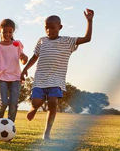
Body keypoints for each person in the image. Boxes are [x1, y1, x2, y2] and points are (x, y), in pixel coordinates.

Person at [21, 9, 94, 140]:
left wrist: (89, 21)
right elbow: (34, 57)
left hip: (56, 79)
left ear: (60, 27)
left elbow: (87, 39)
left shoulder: (67, 41)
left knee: (53, 102)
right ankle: (34, 108)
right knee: (36, 102)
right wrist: (25, 69)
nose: (49, 31)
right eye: (46, 28)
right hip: (40, 79)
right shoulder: (42, 41)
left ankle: (47, 132)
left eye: (52, 28)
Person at [0, 19, 28, 122]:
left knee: (13, 103)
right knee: (3, 102)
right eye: (5, 32)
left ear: (13, 32)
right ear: (0, 30)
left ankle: (10, 124)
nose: (7, 34)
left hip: (16, 77)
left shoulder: (17, 44)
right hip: (2, 77)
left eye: (10, 32)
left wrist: (25, 57)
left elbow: (23, 61)